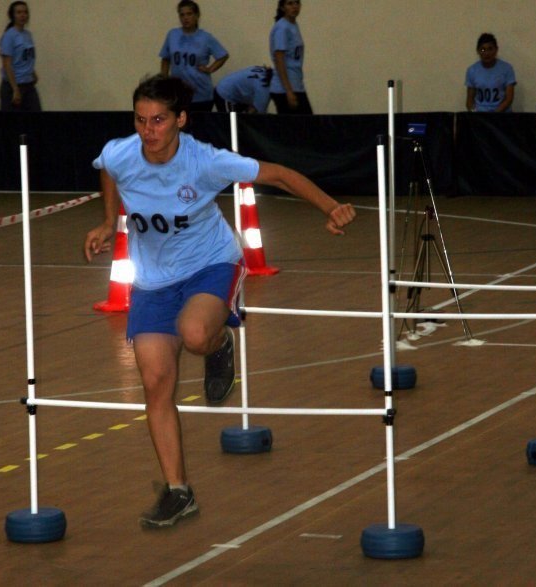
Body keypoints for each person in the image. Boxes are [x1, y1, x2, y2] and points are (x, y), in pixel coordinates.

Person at [84, 74, 356, 529]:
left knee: (194, 333)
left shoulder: (205, 161)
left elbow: (280, 175)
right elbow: (107, 169)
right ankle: (178, 492)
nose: (148, 131)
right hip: (152, 281)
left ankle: (217, 343)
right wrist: (109, 219)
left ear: (180, 120)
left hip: (210, 264)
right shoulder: (121, 152)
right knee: (155, 384)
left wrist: (331, 207)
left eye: (158, 121)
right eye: (140, 120)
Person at [159, 0, 228, 112]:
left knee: (200, 128)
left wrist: (210, 69)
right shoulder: (172, 35)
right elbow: (165, 59)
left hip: (200, 93)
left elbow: (223, 56)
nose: (185, 18)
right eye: (182, 15)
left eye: (189, 14)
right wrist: (164, 81)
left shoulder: (206, 38)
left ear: (197, 15)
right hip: (178, 93)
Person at [269, 0, 312, 115]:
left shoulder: (293, 25)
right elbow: (279, 59)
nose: (295, 6)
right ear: (283, 8)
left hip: (297, 85)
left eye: (297, 3)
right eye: (290, 3)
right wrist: (289, 91)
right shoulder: (282, 28)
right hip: (284, 90)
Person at [0, 1, 41, 112]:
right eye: (19, 12)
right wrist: (15, 89)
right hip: (13, 86)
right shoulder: (9, 36)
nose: (23, 15)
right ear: (13, 15)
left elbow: (26, 57)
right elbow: (7, 64)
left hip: (28, 85)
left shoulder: (28, 34)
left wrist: (32, 73)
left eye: (25, 12)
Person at [465, 33, 516, 113]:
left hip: (502, 115)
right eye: (483, 49)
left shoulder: (507, 69)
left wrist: (494, 115)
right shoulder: (472, 70)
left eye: (490, 49)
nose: (486, 53)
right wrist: (474, 115)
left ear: (496, 50)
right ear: (478, 51)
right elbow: (469, 100)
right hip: (480, 117)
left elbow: (509, 99)